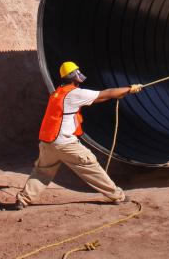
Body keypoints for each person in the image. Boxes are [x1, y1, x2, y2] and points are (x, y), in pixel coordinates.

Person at [14, 61, 142, 210]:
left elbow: (97, 98)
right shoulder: (75, 93)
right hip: (65, 143)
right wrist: (129, 89)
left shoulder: (59, 93)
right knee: (90, 166)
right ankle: (117, 196)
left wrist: (119, 94)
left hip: (48, 142)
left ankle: (23, 200)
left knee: (42, 172)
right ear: (76, 77)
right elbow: (106, 93)